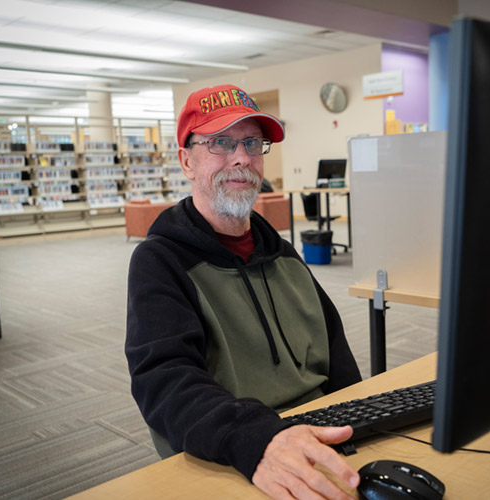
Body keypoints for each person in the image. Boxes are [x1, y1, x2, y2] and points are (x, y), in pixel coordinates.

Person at [125, 84, 362, 500]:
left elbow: (338, 360)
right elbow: (165, 384)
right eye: (221, 143)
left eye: (252, 142)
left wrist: (362, 422)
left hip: (315, 434)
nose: (241, 158)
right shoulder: (160, 262)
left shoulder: (283, 255)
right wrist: (258, 439)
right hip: (233, 450)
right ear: (187, 161)